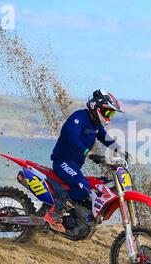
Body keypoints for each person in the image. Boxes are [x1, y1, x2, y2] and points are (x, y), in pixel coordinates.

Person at [44, 89, 131, 233]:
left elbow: (105, 138)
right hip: (62, 162)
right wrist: (89, 154)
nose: (109, 116)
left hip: (74, 165)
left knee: (99, 185)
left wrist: (120, 151)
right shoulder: (79, 117)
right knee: (83, 186)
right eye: (107, 112)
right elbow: (73, 139)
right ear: (96, 107)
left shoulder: (96, 124)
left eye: (111, 114)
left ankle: (79, 216)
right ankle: (54, 214)